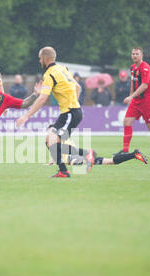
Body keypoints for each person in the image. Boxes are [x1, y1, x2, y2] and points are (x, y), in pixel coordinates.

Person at [16, 46, 96, 178]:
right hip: (69, 112)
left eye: (40, 58)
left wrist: (26, 116)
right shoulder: (62, 69)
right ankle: (64, 171)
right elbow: (78, 86)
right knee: (50, 139)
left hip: (70, 113)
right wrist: (74, 102)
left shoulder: (49, 74)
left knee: (54, 142)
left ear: (45, 59)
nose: (39, 61)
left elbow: (42, 98)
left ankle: (85, 154)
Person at [121, 47, 150, 157]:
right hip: (136, 101)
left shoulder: (145, 68)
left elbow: (144, 85)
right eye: (133, 54)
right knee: (126, 122)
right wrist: (131, 97)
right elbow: (133, 83)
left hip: (147, 101)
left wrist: (131, 97)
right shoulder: (132, 68)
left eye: (136, 54)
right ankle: (125, 150)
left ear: (141, 55)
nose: (134, 56)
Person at [48, 139, 148, 166]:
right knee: (110, 161)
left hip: (75, 158)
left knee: (75, 161)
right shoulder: (64, 140)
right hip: (80, 156)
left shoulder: (59, 142)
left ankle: (134, 155)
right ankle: (134, 154)